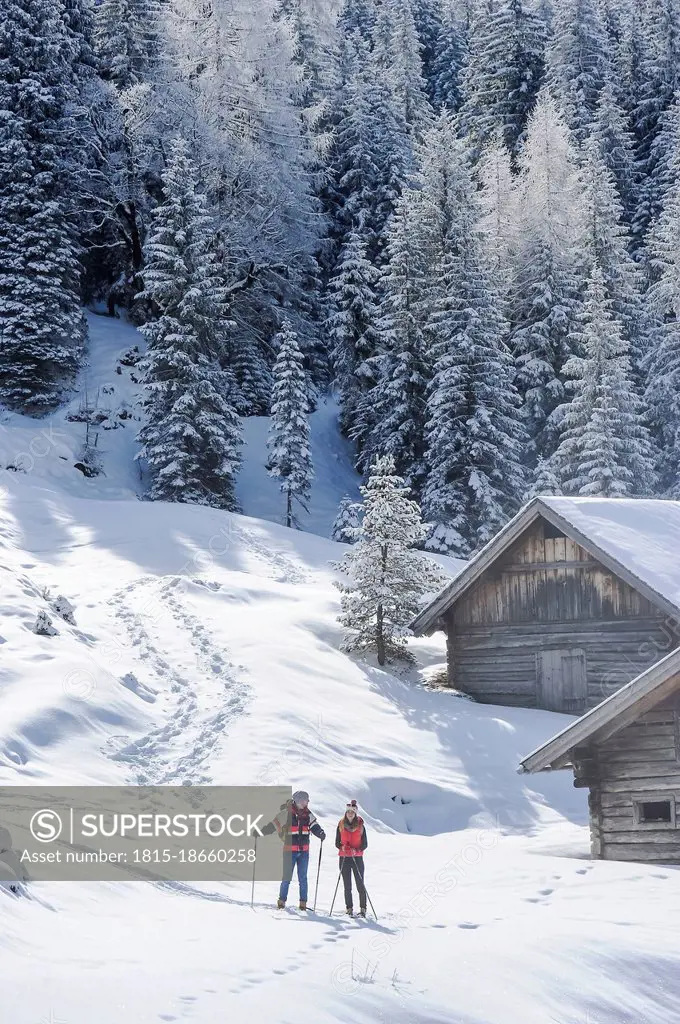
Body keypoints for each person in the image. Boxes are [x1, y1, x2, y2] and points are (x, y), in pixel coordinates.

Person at [262, 789, 325, 910]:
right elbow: (273, 825)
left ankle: (303, 904)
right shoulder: (286, 813)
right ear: (296, 801)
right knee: (286, 878)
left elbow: (315, 826)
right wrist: (261, 832)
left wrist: (320, 833)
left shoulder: (308, 814)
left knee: (303, 878)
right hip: (289, 851)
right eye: (303, 800)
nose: (305, 803)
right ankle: (281, 901)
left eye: (306, 801)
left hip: (304, 852)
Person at [335, 799, 368, 917]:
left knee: (360, 884)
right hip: (344, 857)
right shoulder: (340, 824)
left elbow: (365, 844)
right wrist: (341, 847)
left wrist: (357, 850)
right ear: (345, 813)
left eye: (352, 812)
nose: (350, 814)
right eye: (348, 811)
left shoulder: (360, 825)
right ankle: (349, 908)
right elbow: (337, 843)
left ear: (355, 814)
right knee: (347, 885)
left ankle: (363, 908)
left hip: (357, 858)